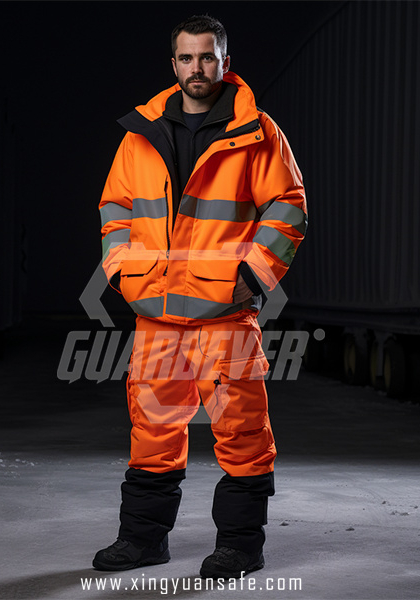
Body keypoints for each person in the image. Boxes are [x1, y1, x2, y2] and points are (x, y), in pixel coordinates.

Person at [94, 14, 307, 579]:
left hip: (226, 312)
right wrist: (122, 271)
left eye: (207, 57)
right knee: (152, 431)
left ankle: (240, 547)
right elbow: (115, 207)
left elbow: (288, 207)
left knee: (242, 431)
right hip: (156, 311)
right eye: (187, 58)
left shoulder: (257, 132)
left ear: (225, 62)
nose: (197, 68)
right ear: (173, 64)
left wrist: (251, 278)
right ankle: (142, 541)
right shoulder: (140, 134)